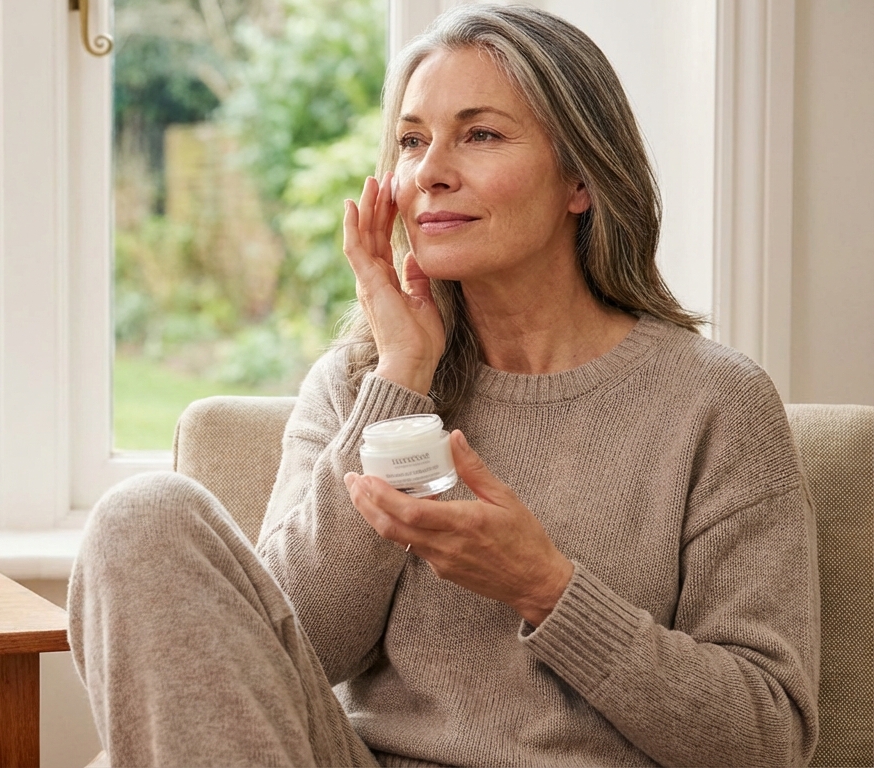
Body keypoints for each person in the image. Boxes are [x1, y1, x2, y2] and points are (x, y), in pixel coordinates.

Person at [68, 4, 820, 767]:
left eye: (480, 133)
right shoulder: (362, 382)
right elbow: (289, 655)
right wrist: (403, 377)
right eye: (412, 141)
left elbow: (765, 738)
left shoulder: (714, 405)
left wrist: (547, 587)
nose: (429, 172)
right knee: (144, 513)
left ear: (582, 180)